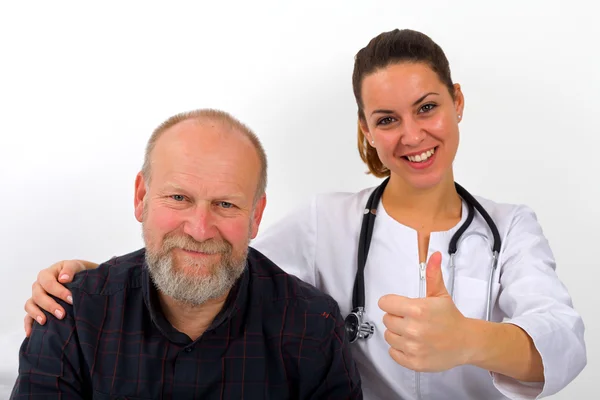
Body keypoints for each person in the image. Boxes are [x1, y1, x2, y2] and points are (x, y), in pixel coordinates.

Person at [22, 29, 586, 400]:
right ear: (367, 128)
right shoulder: (326, 222)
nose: (412, 135)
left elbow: (564, 342)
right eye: (386, 119)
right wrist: (94, 285)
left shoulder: (510, 228)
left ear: (457, 102)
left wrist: (468, 340)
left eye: (428, 108)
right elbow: (213, 256)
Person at [11, 110, 363, 399]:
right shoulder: (70, 315)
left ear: (256, 216)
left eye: (225, 204)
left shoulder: (313, 327)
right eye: (179, 198)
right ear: (141, 197)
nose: (199, 229)